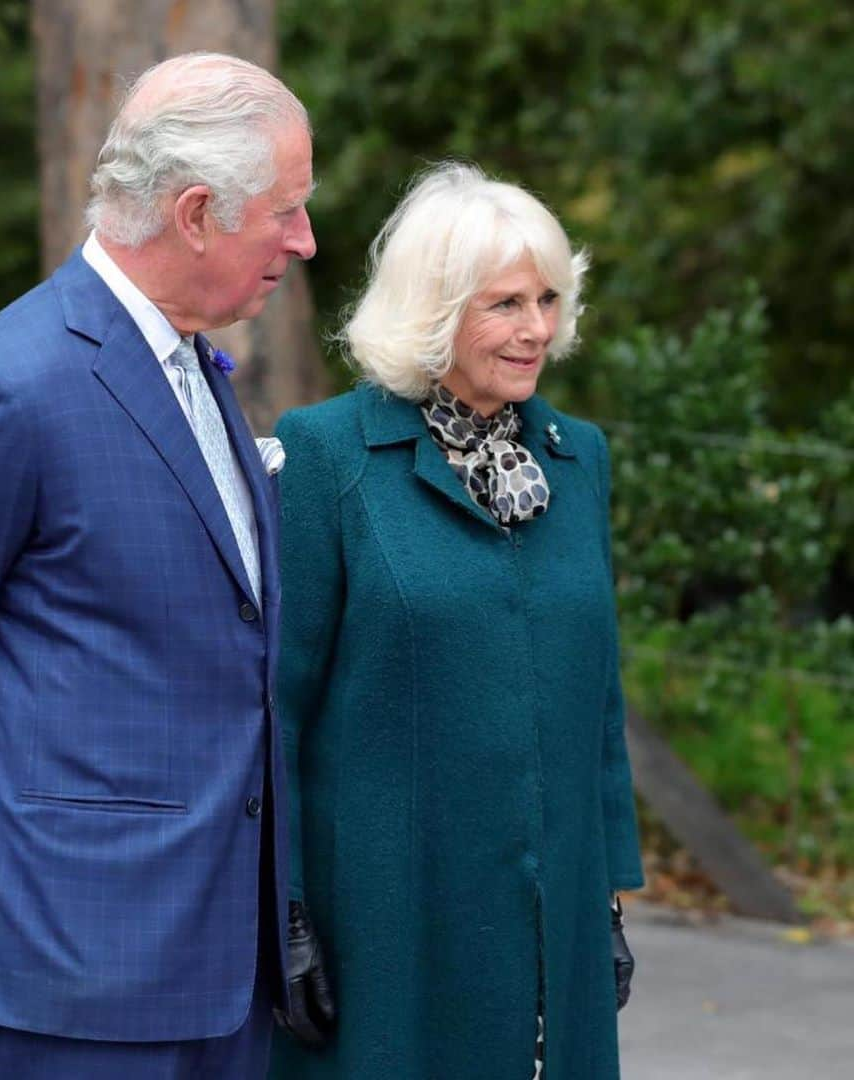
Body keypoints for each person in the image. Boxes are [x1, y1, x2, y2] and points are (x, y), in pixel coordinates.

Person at [0, 51, 315, 1080]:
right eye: (286, 209)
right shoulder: (9, 391)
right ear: (195, 213)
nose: (304, 239)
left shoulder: (190, 359)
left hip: (222, 953)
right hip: (70, 959)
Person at [269, 163, 642, 1080]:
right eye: (506, 303)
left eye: (549, 299)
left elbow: (599, 703)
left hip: (555, 911)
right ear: (434, 308)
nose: (539, 330)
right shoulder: (331, 454)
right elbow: (274, 704)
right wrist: (280, 912)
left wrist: (607, 898)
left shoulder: (577, 458)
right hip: (384, 916)